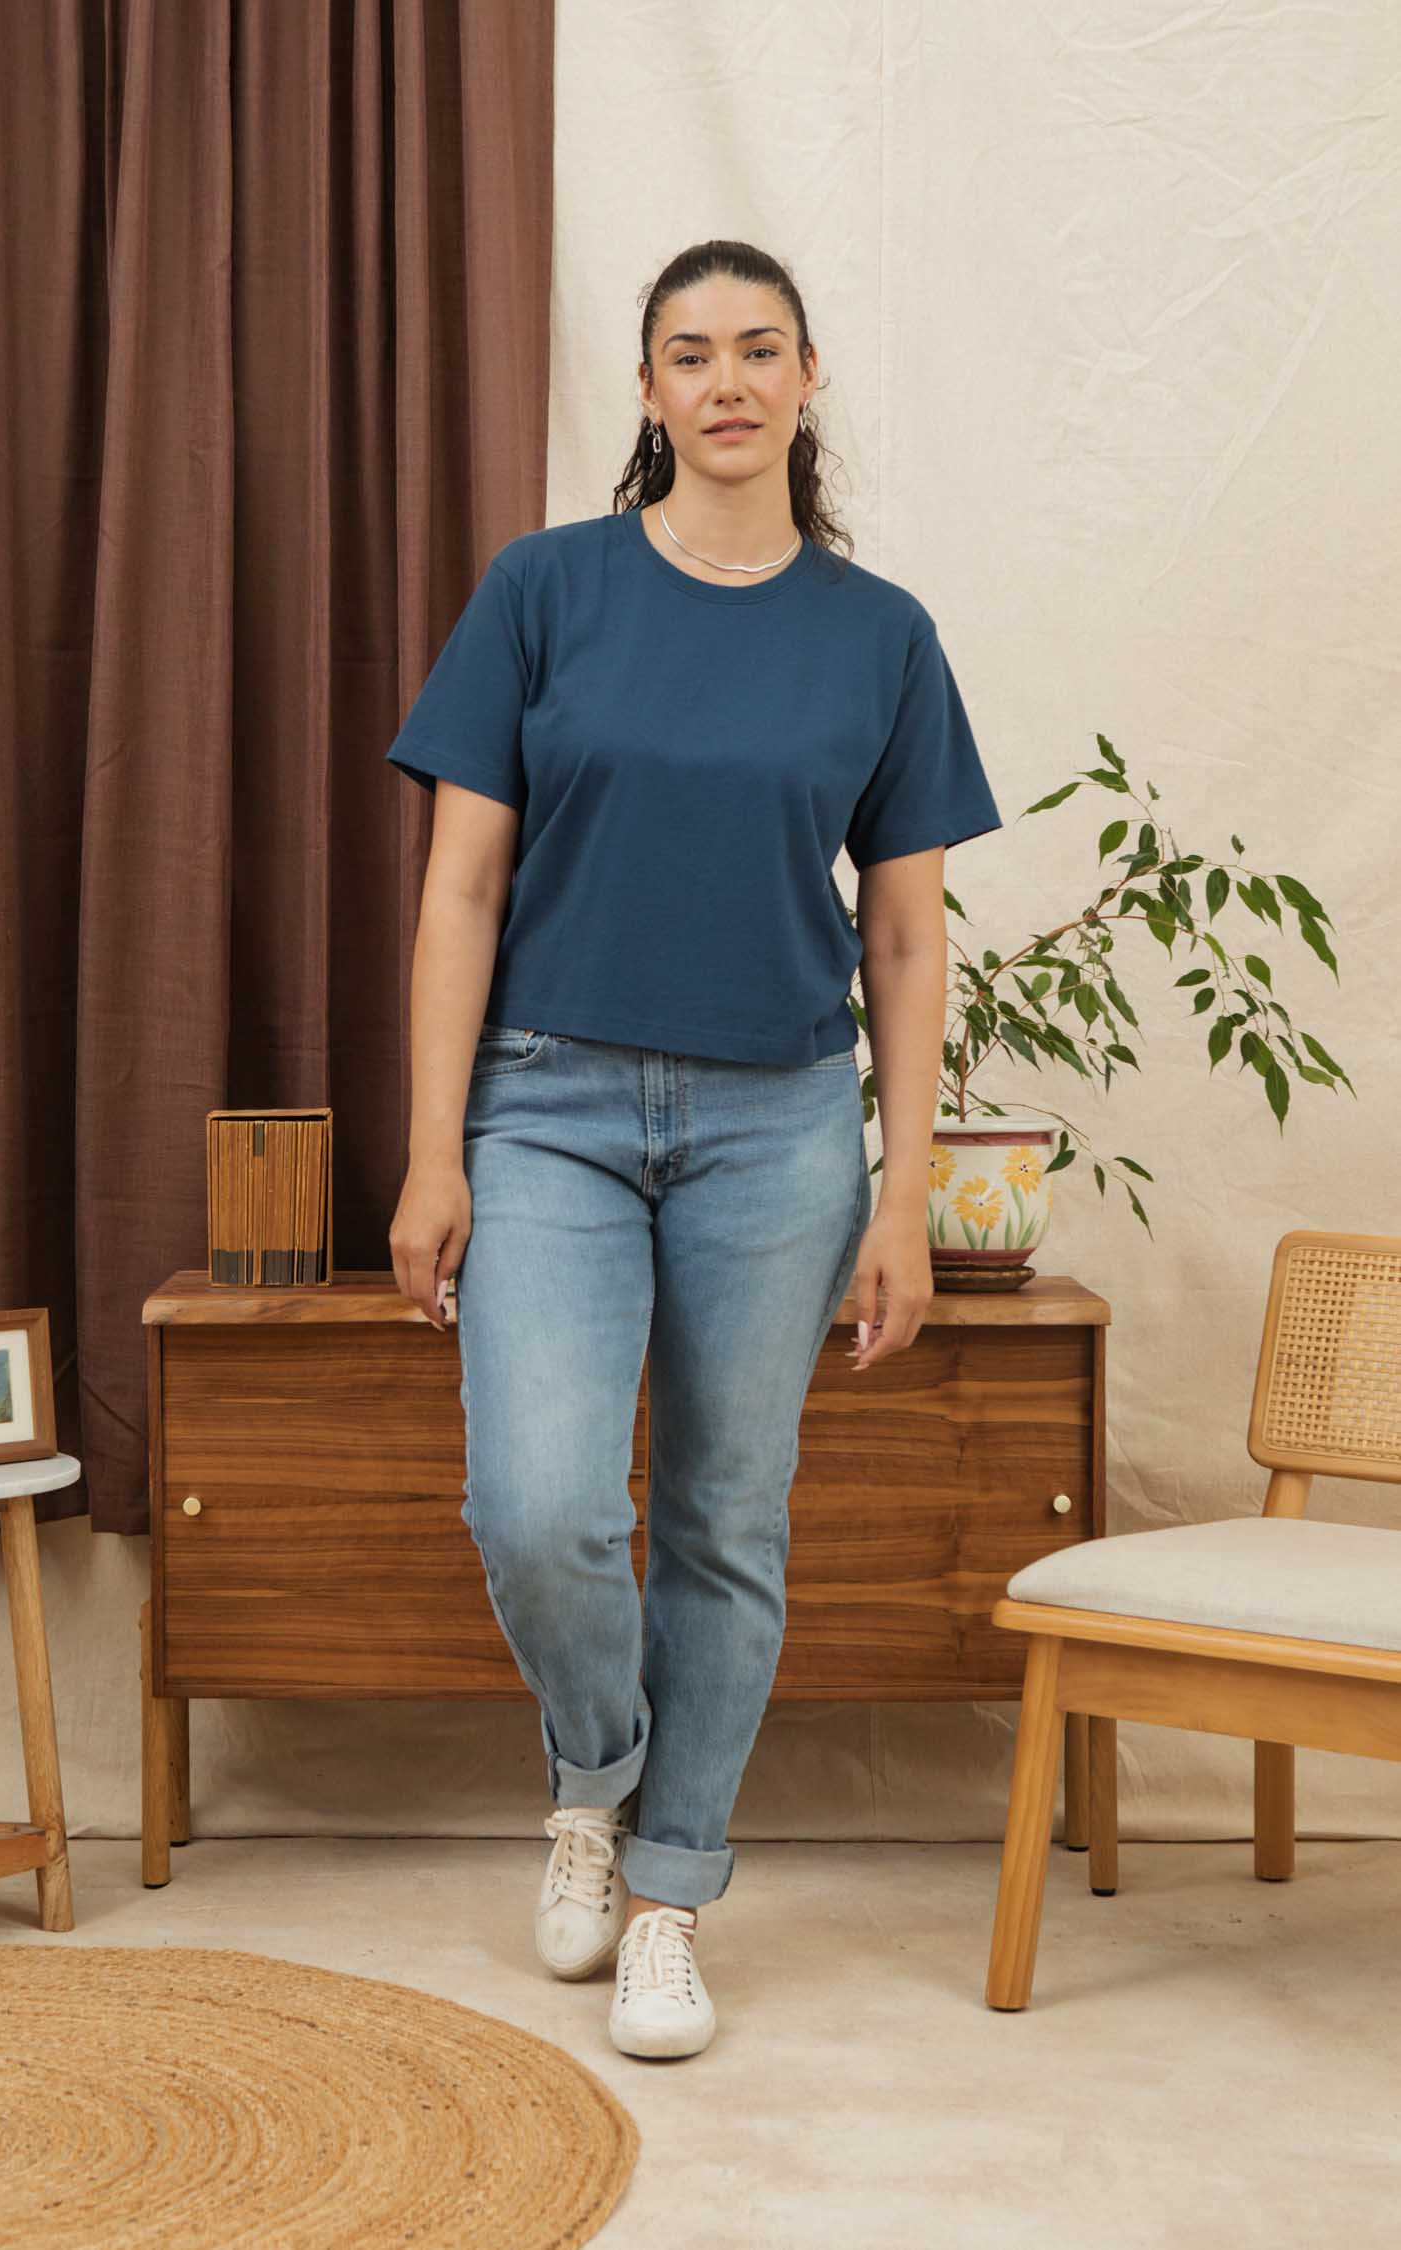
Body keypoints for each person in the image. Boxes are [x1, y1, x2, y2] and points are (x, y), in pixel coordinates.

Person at [386, 239, 1003, 2061]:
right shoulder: (542, 592)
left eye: (756, 349)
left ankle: (671, 1892)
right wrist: (439, 1152)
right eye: (687, 354)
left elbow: (903, 934)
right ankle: (595, 1774)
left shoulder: (880, 634)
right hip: (549, 1104)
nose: (724, 380)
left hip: (782, 1122)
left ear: (808, 378)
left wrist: (906, 1193)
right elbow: (464, 884)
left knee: (728, 1519)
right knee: (541, 1501)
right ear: (647, 393)